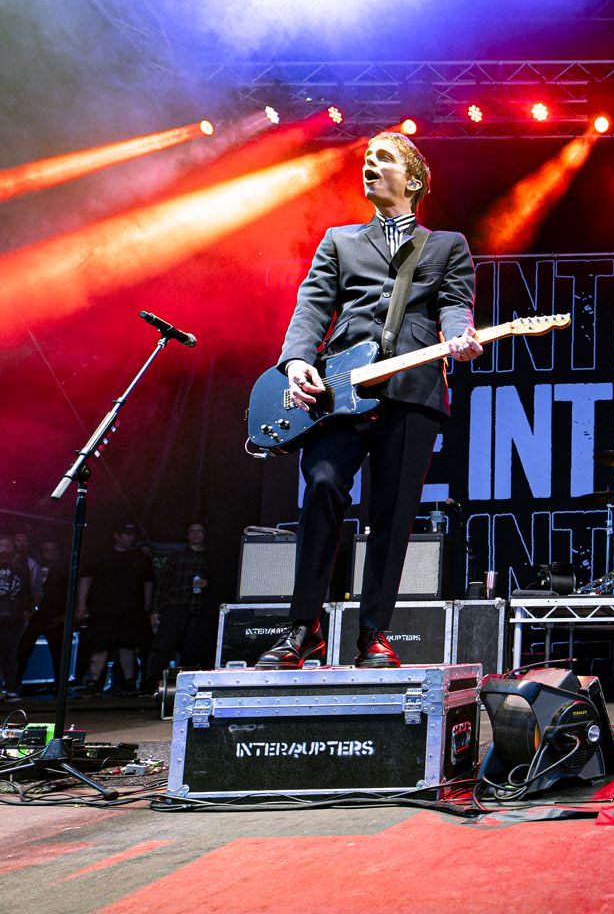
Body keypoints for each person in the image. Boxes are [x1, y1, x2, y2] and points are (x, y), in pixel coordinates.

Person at [257, 131, 482, 671]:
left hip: (412, 392)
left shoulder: (447, 245)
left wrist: (462, 333)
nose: (369, 167)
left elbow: (453, 305)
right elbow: (311, 306)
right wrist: (295, 362)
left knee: (392, 514)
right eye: (366, 160)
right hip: (337, 392)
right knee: (324, 485)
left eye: (383, 160)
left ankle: (374, 634)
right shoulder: (340, 240)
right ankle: (302, 628)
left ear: (415, 179)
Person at [76, 522, 155, 694]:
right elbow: (86, 579)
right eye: (127, 534)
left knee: (127, 646)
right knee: (100, 646)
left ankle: (128, 682)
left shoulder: (140, 558)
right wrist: (81, 605)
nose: (131, 538)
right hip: (102, 609)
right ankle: (94, 682)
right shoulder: (100, 556)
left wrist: (147, 607)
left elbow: (148, 582)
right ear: (116, 536)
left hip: (131, 609)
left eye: (132, 534)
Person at [142, 522, 217, 691]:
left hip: (198, 609)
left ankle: (183, 688)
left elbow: (220, 583)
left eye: (200, 531)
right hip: (175, 605)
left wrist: (208, 584)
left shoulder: (210, 557)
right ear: (188, 534)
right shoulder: (177, 556)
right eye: (192, 531)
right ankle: (150, 684)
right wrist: (156, 609)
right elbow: (163, 583)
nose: (196, 534)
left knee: (191, 650)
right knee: (164, 646)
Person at [16, 537, 69, 693]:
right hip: (35, 617)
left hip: (55, 617)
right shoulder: (32, 567)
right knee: (23, 649)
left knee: (59, 653)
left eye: (52, 550)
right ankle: (14, 684)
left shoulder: (64, 571)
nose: (49, 553)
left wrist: (67, 614)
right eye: (46, 550)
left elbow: (72, 592)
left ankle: (61, 687)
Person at [0, 535, 33, 699]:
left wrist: (27, 612)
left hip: (13, 616)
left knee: (9, 653)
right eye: (1, 545)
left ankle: (11, 689)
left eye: (7, 545)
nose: (3, 548)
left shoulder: (20, 568)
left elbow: (26, 591)